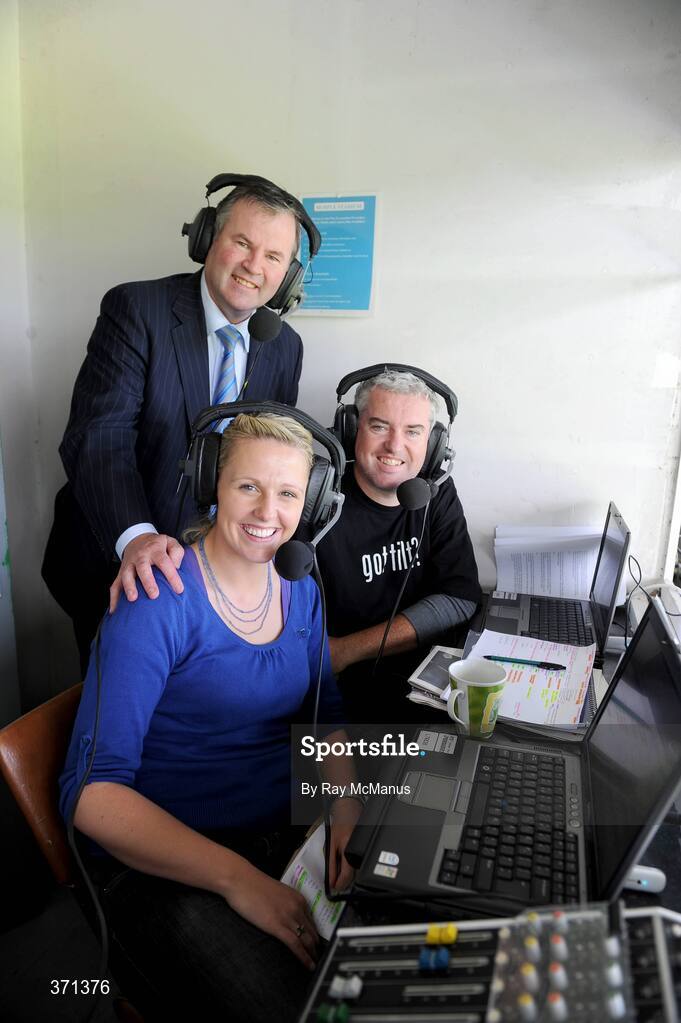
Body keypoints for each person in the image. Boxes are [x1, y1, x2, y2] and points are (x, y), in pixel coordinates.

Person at [59, 413, 360, 1023]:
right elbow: (90, 796)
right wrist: (237, 880)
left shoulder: (299, 584)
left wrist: (347, 812)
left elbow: (328, 716)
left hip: (283, 839)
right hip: (169, 868)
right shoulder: (154, 602)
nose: (266, 512)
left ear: (315, 502)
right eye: (248, 486)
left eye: (288, 494)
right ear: (210, 485)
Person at [43, 175, 309, 673]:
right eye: (242, 243)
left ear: (288, 277)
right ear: (208, 239)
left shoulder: (284, 346)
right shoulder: (137, 309)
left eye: (273, 257)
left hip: (216, 579)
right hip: (117, 561)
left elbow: (272, 463)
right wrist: (138, 537)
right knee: (122, 717)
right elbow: (98, 437)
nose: (255, 266)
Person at [315, 369, 481, 723]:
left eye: (413, 432)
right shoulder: (316, 500)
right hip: (339, 694)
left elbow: (460, 597)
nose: (394, 445)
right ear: (350, 428)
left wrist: (347, 649)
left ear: (433, 444)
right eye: (379, 426)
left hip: (426, 689)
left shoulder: (436, 491)